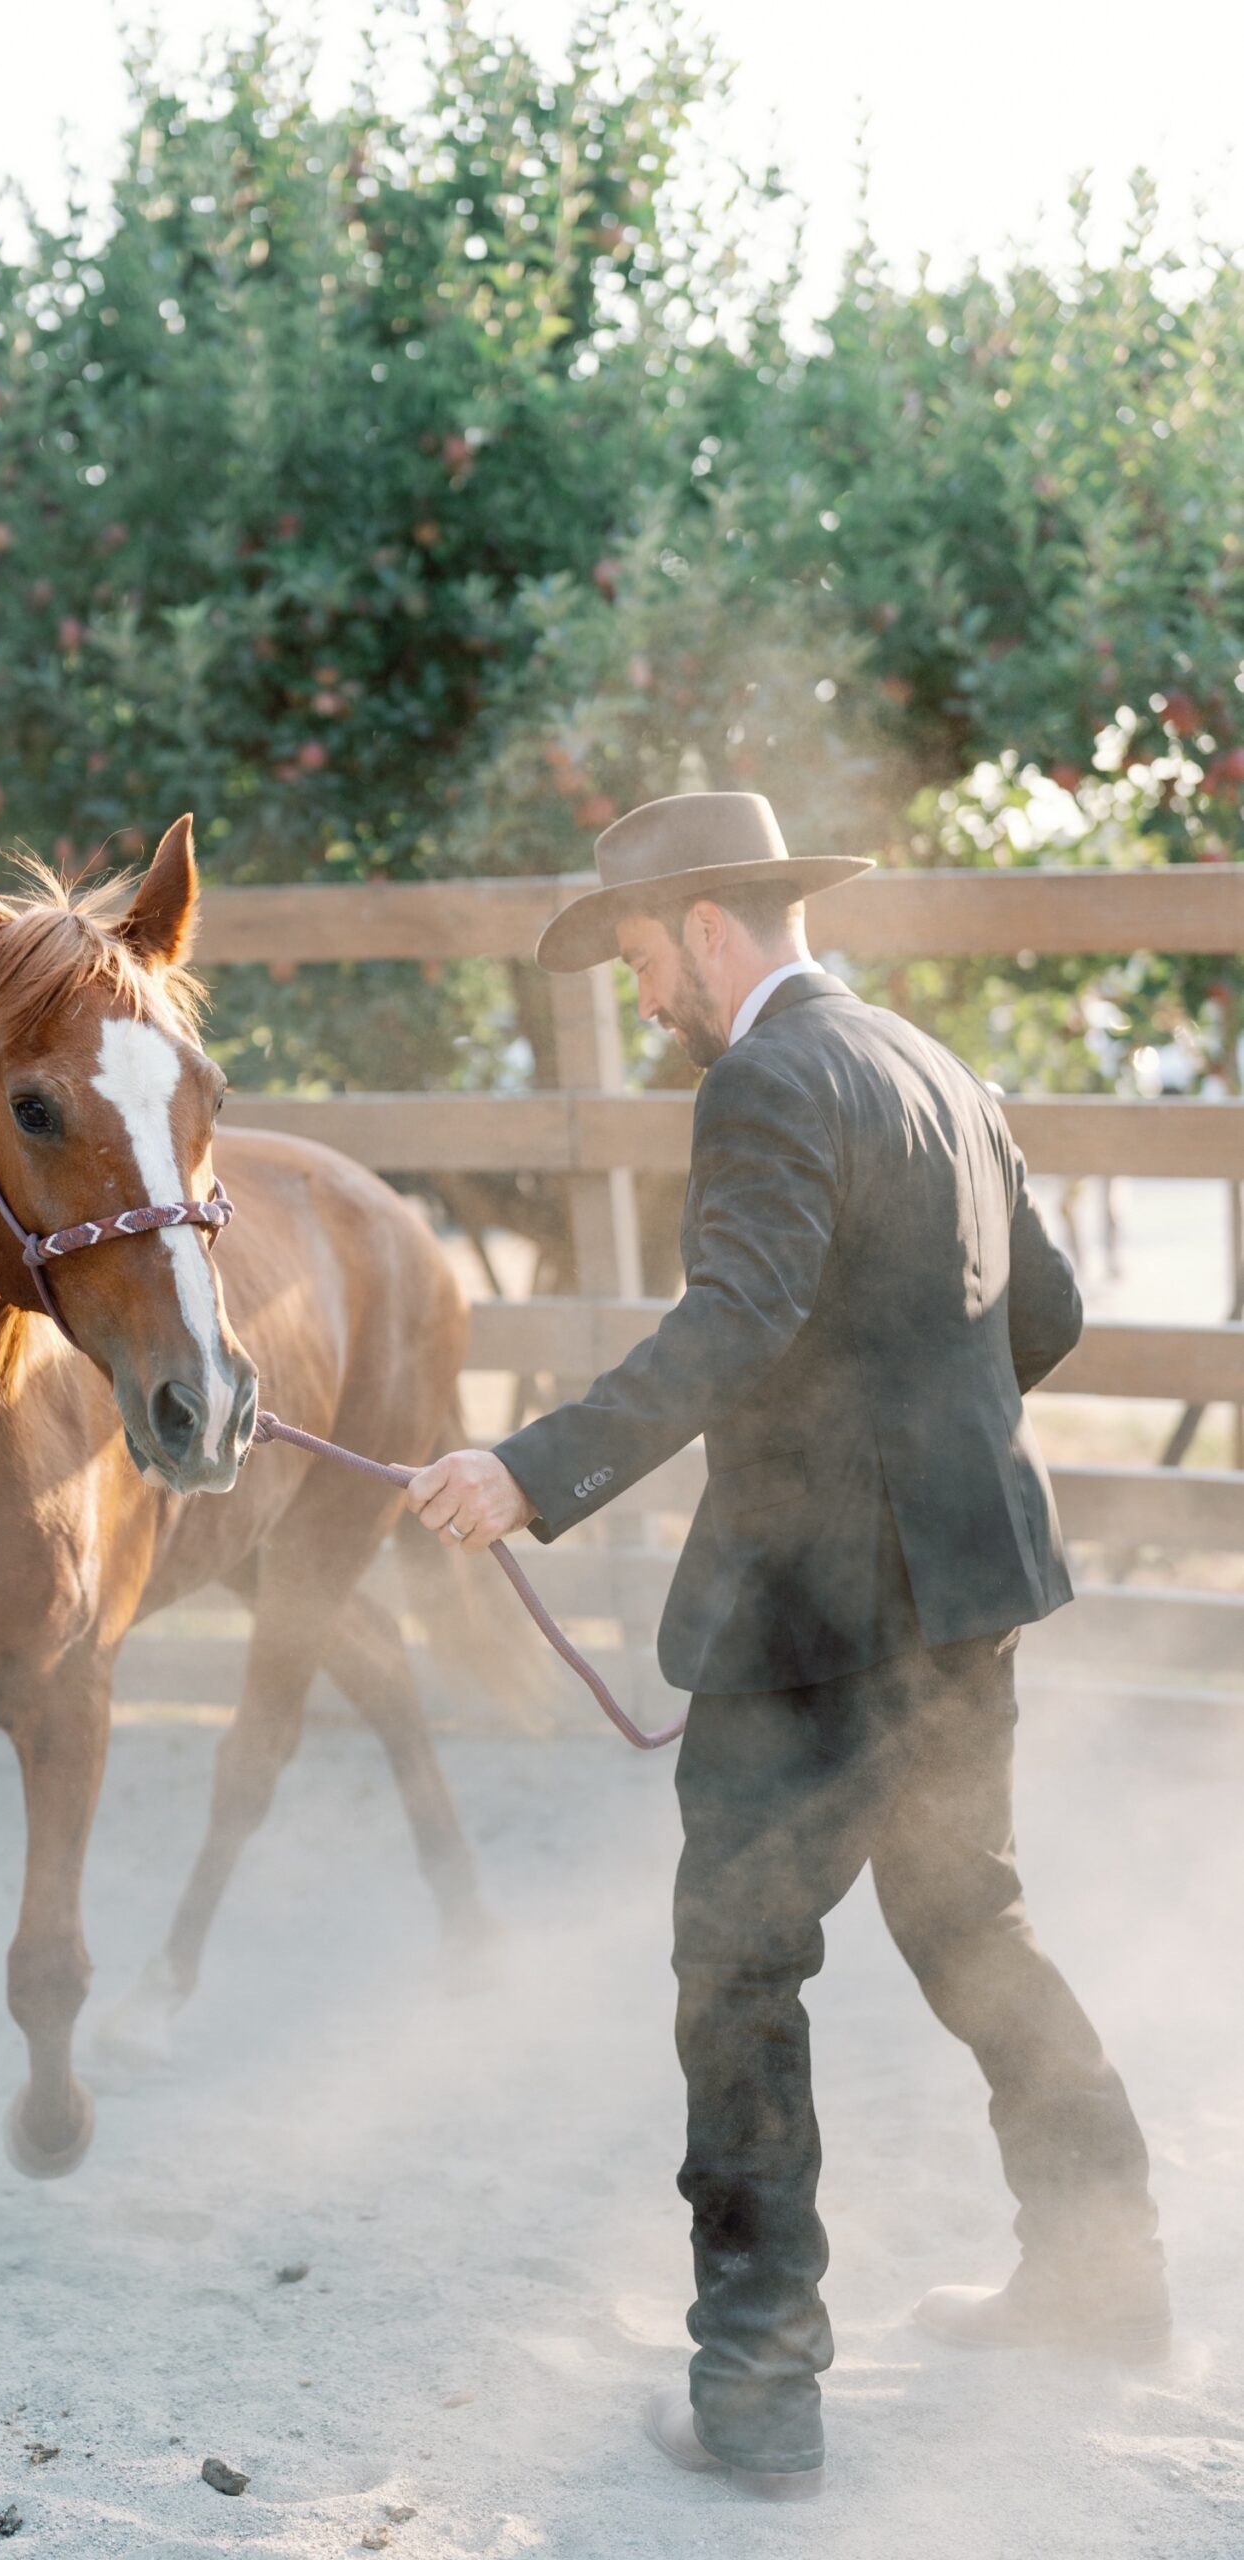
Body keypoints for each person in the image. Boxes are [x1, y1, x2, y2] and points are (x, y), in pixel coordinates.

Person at [406, 792, 1167, 2504]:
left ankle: (755, 2390)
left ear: (703, 926)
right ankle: (1102, 2270)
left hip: (816, 1618)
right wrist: (924, 1459)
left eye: (638, 955)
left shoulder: (760, 1080)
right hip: (971, 1596)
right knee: (973, 1925)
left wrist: (526, 1474)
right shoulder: (934, 1066)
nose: (640, 992)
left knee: (738, 1973)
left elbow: (735, 1319)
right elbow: (1037, 1316)